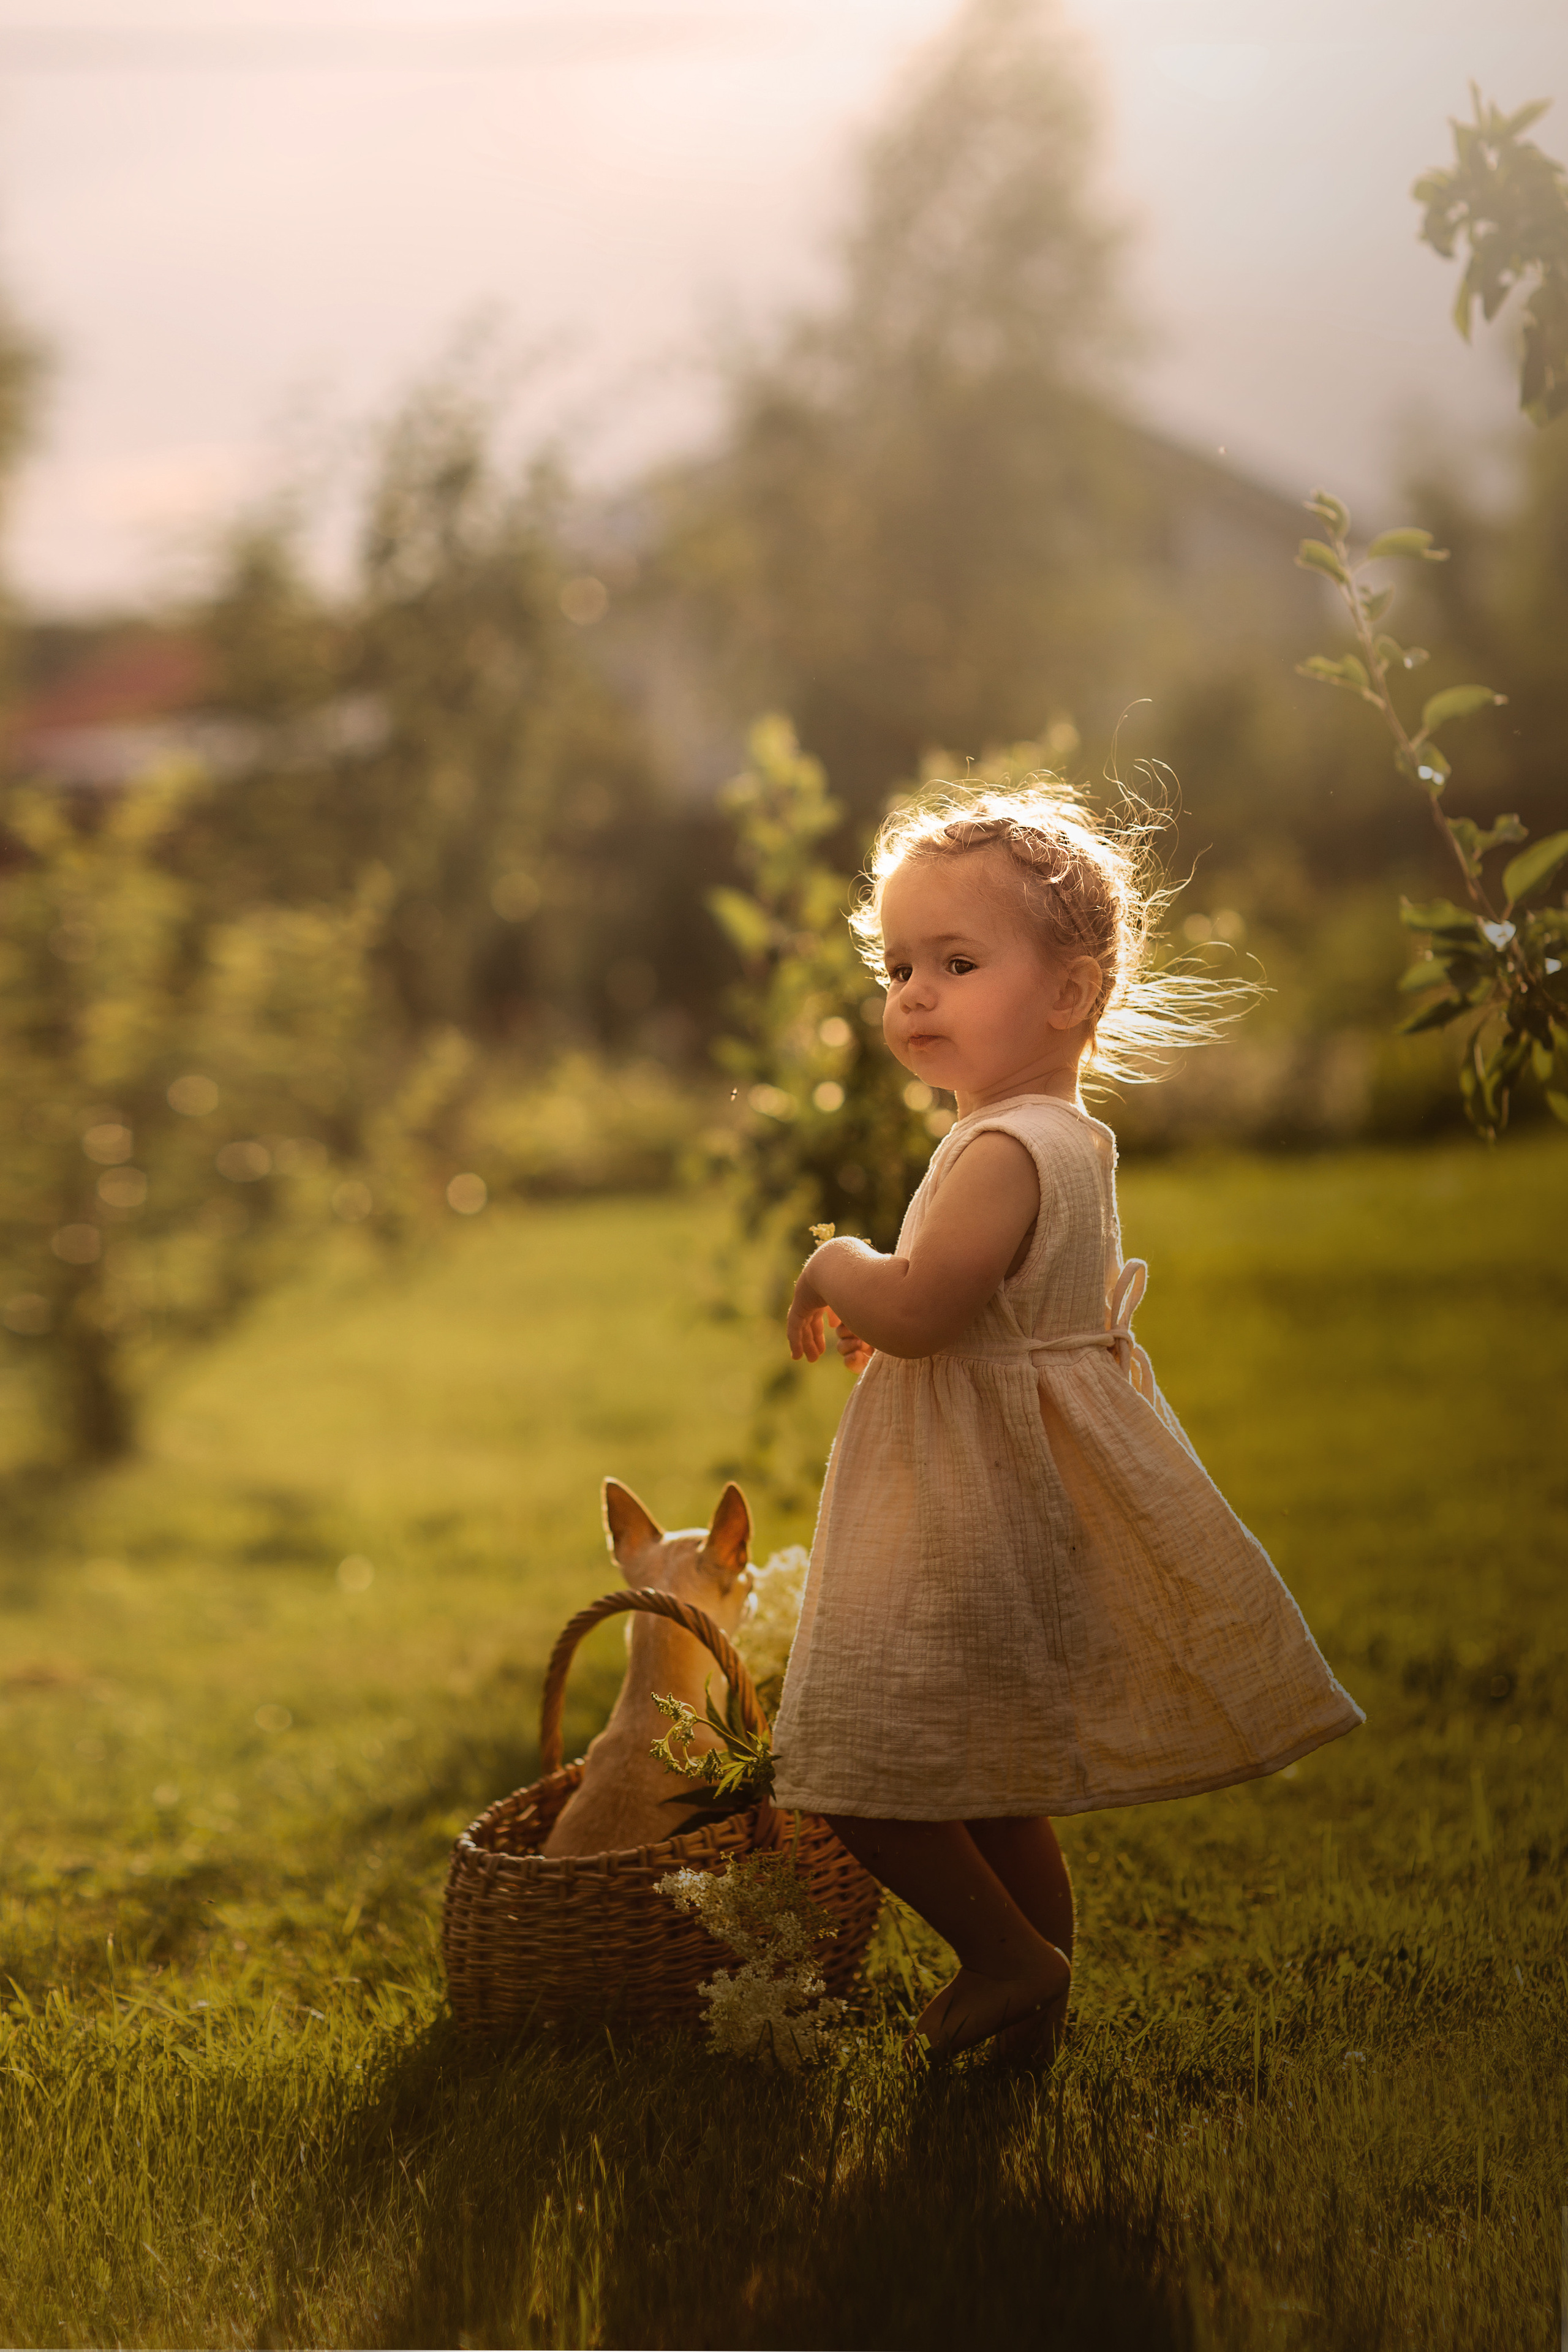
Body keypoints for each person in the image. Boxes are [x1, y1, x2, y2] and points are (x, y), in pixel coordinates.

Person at [769, 784, 1363, 2064]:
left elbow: (927, 1311)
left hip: (963, 1511)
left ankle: (1003, 1958)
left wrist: (834, 1262)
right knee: (995, 1783)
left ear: (1069, 993)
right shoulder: (1054, 1137)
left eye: (957, 962)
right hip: (1006, 1495)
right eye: (899, 965)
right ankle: (1029, 2004)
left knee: (850, 1770)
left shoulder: (1000, 1150)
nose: (913, 993)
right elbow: (978, 1315)